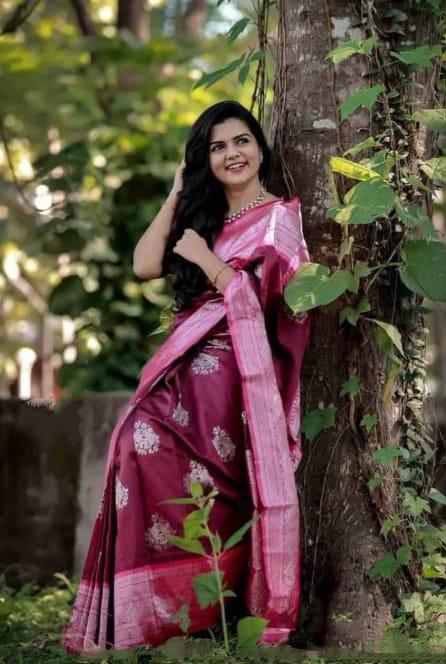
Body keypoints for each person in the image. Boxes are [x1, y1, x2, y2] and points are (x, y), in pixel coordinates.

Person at [62, 100, 311, 654]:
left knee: (197, 477)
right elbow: (144, 264)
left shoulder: (279, 218)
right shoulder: (205, 215)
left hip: (236, 374)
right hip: (184, 366)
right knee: (133, 444)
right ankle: (155, 614)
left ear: (261, 146)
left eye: (241, 141)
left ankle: (208, 612)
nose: (232, 154)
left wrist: (206, 259)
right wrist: (178, 192)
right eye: (217, 147)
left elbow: (276, 305)